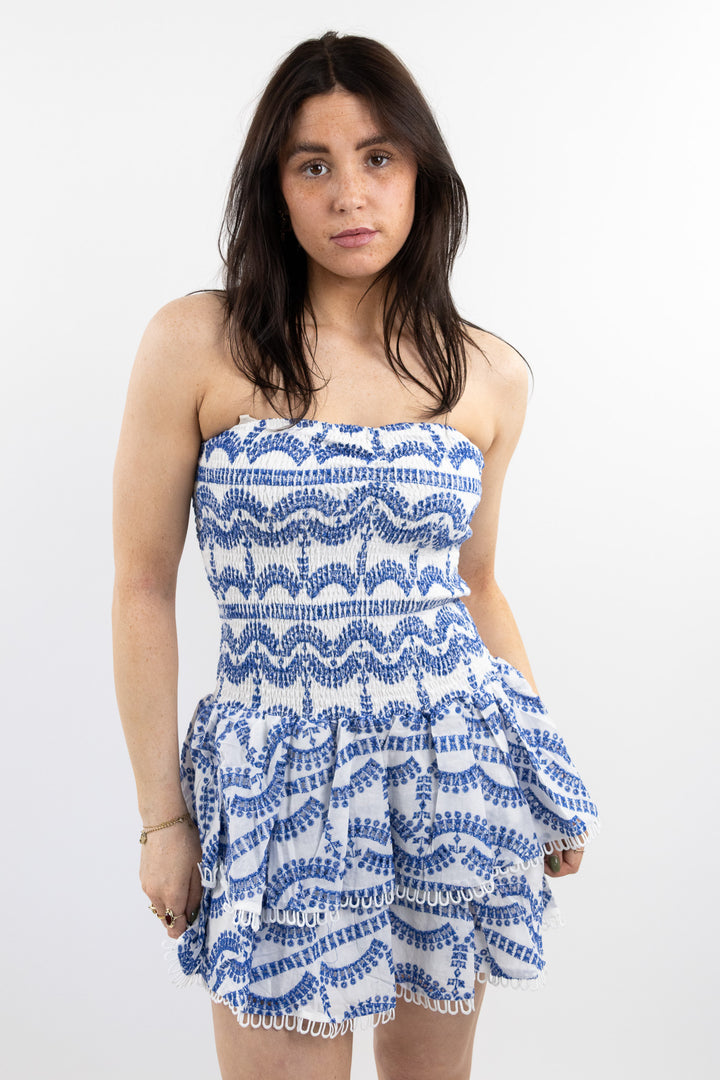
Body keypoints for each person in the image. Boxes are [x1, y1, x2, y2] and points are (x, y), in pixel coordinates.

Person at [112, 29, 599, 1080]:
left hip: (452, 769)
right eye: (313, 165)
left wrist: (545, 772)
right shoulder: (197, 343)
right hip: (276, 784)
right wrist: (162, 820)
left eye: (379, 157)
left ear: (422, 173)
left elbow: (475, 585)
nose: (350, 194)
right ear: (275, 188)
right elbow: (142, 586)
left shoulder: (487, 372)